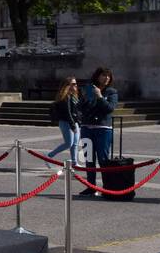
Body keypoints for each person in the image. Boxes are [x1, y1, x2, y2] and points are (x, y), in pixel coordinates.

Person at [77, 67, 118, 195]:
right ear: (97, 76)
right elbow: (83, 107)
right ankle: (91, 186)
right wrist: (83, 100)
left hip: (103, 129)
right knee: (89, 159)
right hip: (87, 127)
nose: (106, 78)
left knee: (103, 159)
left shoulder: (112, 92)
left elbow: (109, 108)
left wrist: (100, 97)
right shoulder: (90, 89)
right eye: (103, 75)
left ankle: (106, 187)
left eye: (108, 76)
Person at [45, 77, 81, 163]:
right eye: (73, 84)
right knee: (69, 143)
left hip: (74, 122)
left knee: (75, 144)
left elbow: (76, 110)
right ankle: (49, 156)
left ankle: (74, 162)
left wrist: (78, 122)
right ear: (67, 85)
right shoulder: (65, 97)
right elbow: (67, 113)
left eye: (76, 83)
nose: (75, 85)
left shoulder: (73, 96)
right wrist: (73, 125)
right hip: (66, 122)